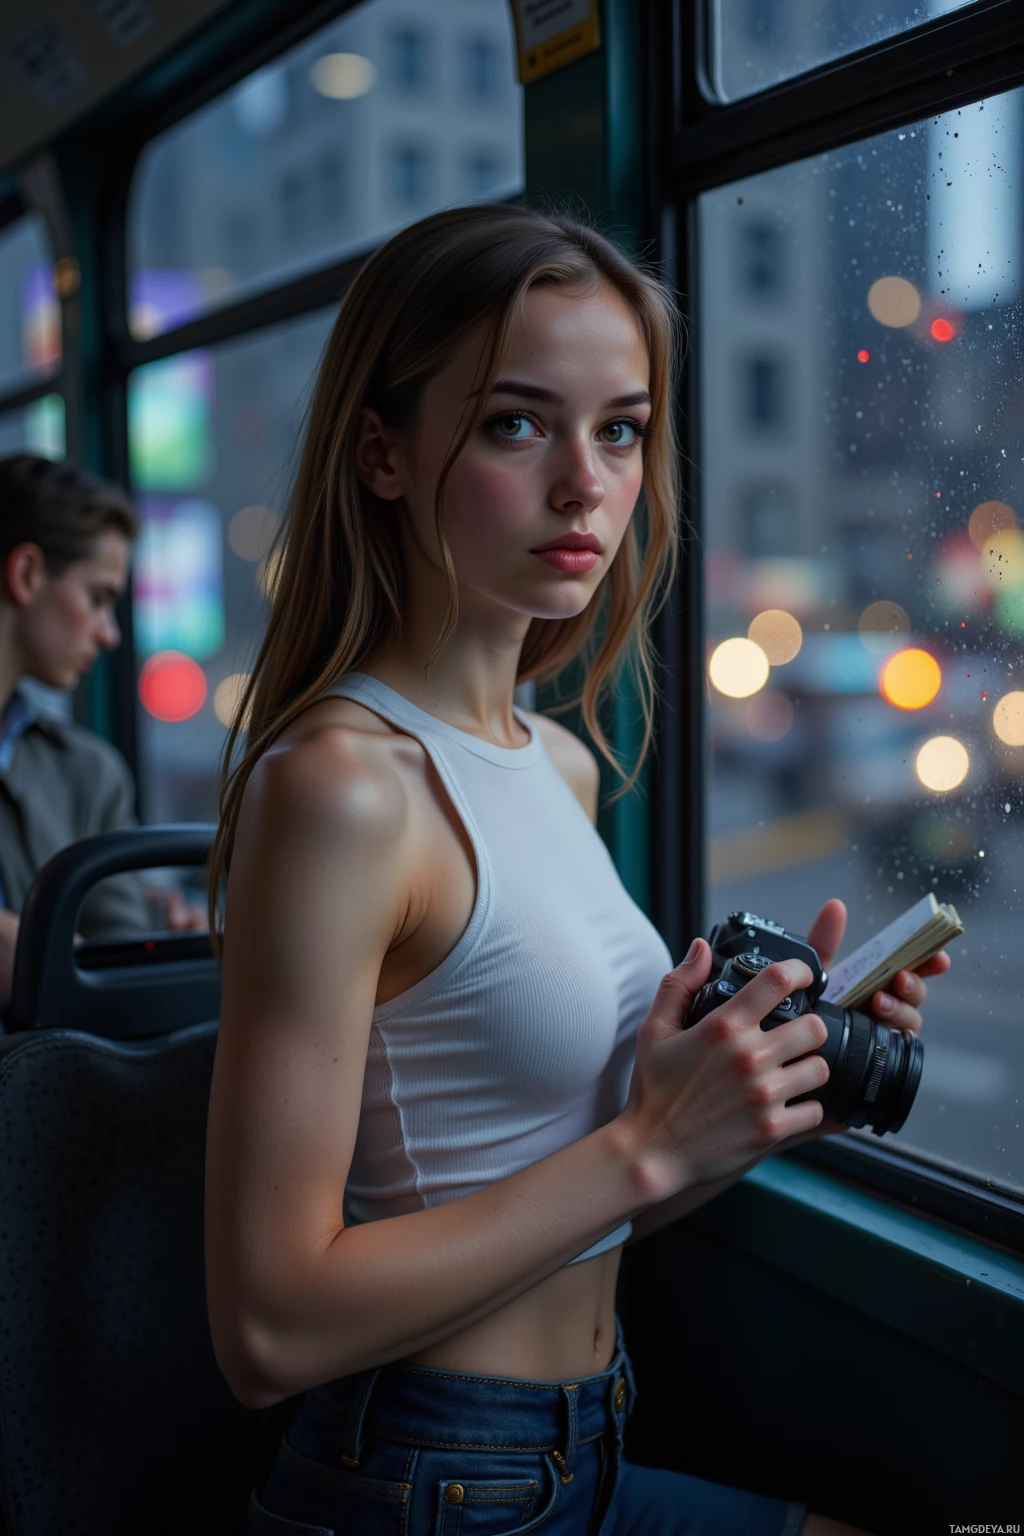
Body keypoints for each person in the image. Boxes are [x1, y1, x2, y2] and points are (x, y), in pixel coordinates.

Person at [203, 204, 951, 1536]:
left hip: (587, 1442)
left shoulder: (557, 762)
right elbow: (266, 1325)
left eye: (620, 429)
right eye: (515, 424)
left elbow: (586, 1197)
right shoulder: (342, 788)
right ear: (381, 454)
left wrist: (775, 1096)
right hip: (423, 1481)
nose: (585, 485)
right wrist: (647, 1147)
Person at [0, 454, 207, 1013]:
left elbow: (117, 948)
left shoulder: (87, 772)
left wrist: (160, 939)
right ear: (26, 575)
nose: (110, 634)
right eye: (96, 598)